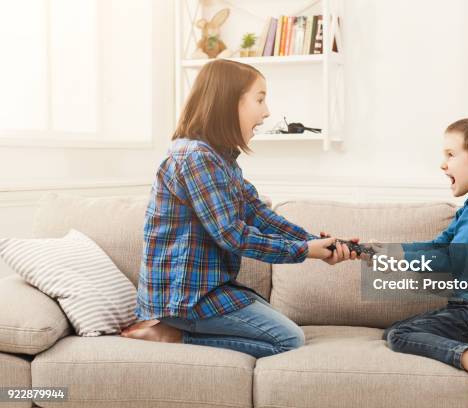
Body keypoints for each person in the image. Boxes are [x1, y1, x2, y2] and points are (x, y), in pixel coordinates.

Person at [121, 59, 358, 358]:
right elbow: (233, 235)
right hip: (185, 297)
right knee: (289, 340)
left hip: (210, 289)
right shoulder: (195, 158)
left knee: (281, 327)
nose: (267, 111)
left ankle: (178, 329)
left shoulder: (220, 159)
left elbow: (257, 214)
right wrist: (304, 251)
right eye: (260, 99)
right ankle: (173, 334)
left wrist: (317, 242)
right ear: (228, 102)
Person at [381, 116, 468, 408]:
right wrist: (384, 251)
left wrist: (397, 260)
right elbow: (439, 244)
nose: (443, 164)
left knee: (400, 335)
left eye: (450, 155)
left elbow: (454, 258)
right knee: (394, 330)